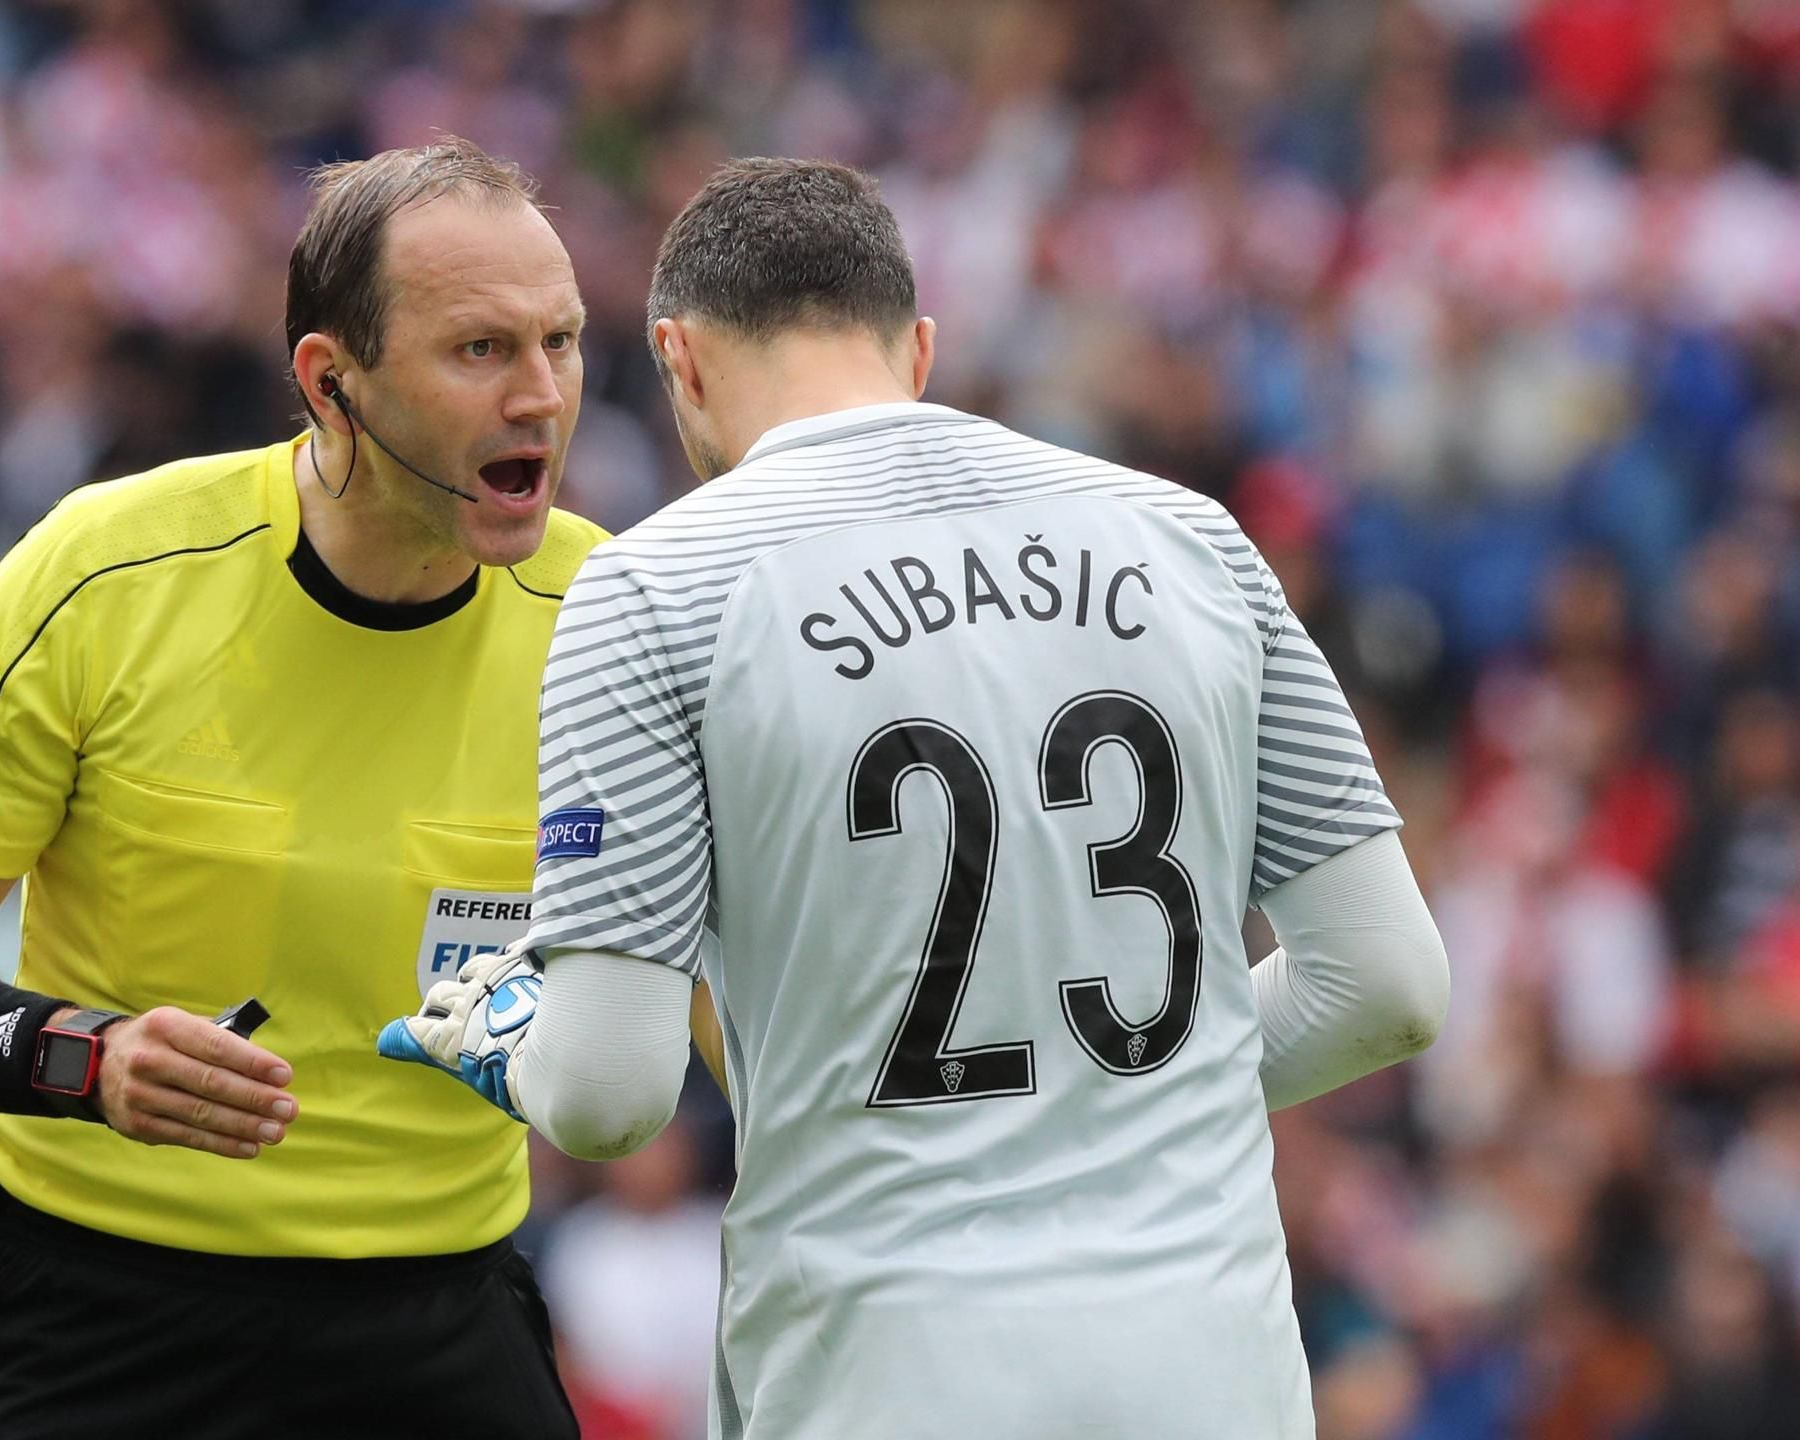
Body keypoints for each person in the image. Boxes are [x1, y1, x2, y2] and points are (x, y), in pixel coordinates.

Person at [383, 159, 1450, 1438]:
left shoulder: (658, 587)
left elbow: (609, 1094)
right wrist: (1104, 1103)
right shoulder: (1191, 538)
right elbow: (1385, 984)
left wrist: (506, 1037)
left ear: (678, 359)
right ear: (919, 350)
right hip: (1213, 1370)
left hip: (879, 1369)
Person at [0, 139, 598, 1438]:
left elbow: (717, 1006)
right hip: (92, 1315)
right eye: (481, 350)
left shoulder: (614, 618)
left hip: (437, 1319)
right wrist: (87, 1057)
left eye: (560, 341)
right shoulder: (100, 574)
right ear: (331, 383)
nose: (542, 395)